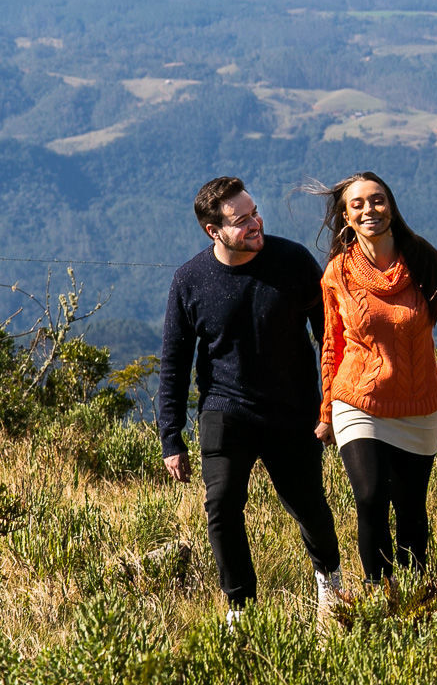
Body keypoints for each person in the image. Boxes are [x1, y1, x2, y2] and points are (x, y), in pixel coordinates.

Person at [160, 176, 344, 618]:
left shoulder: (293, 261)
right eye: (242, 220)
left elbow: (332, 337)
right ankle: (240, 608)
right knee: (221, 506)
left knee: (309, 506)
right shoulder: (190, 280)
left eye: (254, 212)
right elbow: (174, 361)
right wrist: (171, 437)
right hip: (225, 410)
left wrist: (331, 406)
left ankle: (329, 584)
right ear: (214, 231)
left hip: (294, 411)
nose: (255, 223)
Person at [313, 171, 437, 583]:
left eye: (376, 200)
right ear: (345, 216)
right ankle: (382, 594)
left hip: (419, 407)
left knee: (411, 509)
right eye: (356, 204)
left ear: (391, 206)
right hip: (357, 402)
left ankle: (414, 599)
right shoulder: (338, 272)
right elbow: (331, 346)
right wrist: (326, 410)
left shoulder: (426, 262)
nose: (368, 210)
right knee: (371, 497)